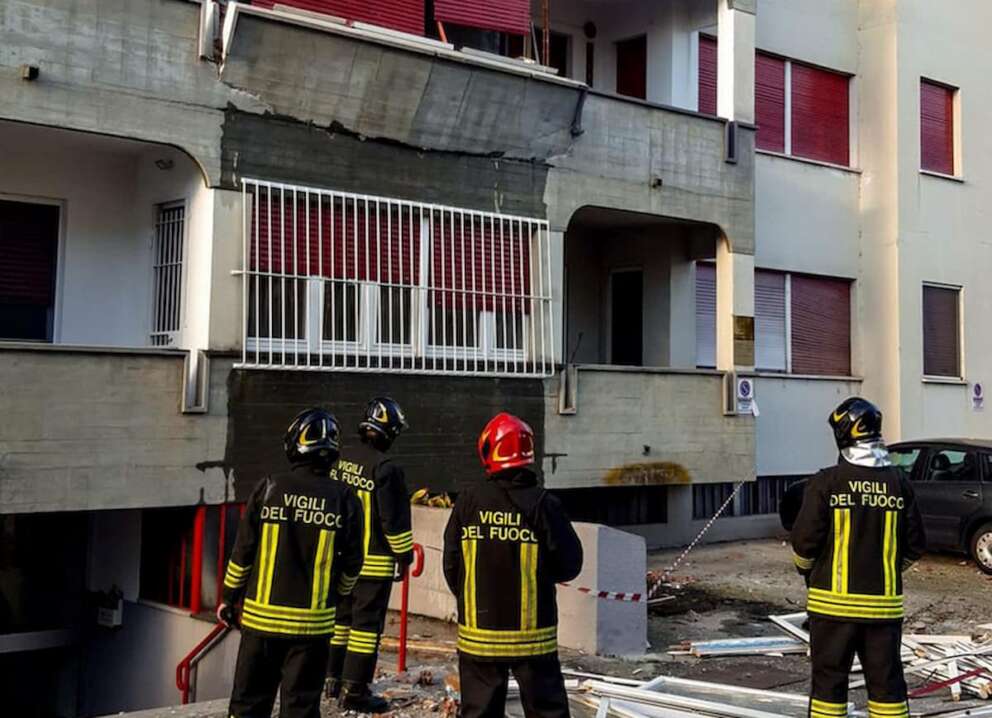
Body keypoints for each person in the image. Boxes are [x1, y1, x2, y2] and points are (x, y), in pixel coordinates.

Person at [218, 407, 364, 718]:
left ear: (293, 445)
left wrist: (229, 598)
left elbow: (242, 552)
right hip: (312, 627)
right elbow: (353, 563)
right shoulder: (345, 498)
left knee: (248, 705)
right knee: (300, 708)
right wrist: (336, 595)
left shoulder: (270, 487)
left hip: (260, 624)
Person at [792, 397, 926, 718]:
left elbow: (804, 544)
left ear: (843, 433)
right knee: (888, 690)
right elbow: (914, 545)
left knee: (828, 689)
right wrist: (890, 570)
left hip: (832, 609)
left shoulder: (826, 482)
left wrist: (809, 573)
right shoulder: (899, 483)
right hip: (884, 611)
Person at [443, 412, 583, 718]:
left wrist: (471, 602)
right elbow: (570, 565)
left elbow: (451, 564)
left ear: (489, 451)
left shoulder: (468, 501)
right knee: (547, 712)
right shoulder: (544, 504)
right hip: (533, 640)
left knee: (479, 712)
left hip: (479, 639)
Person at [326, 397, 413, 713]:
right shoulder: (385, 469)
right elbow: (394, 523)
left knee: (340, 622)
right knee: (365, 629)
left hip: (338, 561)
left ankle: (332, 680)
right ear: (389, 432)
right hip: (372, 566)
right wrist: (405, 556)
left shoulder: (340, 459)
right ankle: (355, 690)